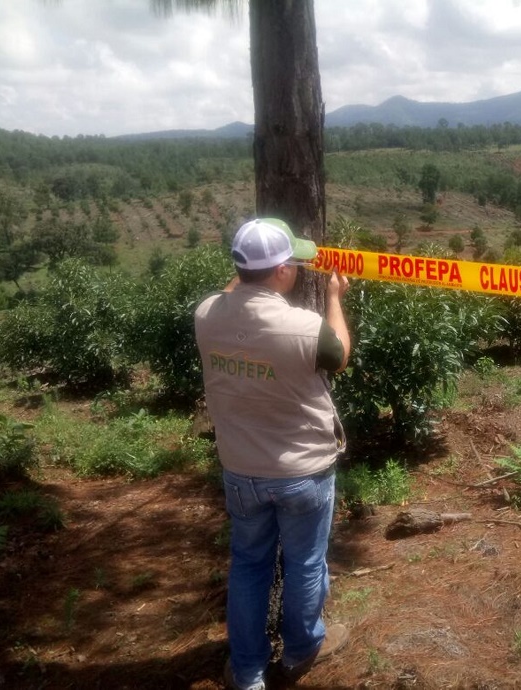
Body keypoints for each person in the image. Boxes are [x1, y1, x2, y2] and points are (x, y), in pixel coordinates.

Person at [194, 218, 351, 690]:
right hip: (303, 470)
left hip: (241, 469)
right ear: (283, 270)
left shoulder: (205, 315)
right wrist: (335, 299)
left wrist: (247, 275)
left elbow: (232, 292)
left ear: (239, 267)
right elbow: (339, 353)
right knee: (305, 562)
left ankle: (247, 670)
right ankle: (301, 651)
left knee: (248, 564)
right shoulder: (305, 328)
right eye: (294, 263)